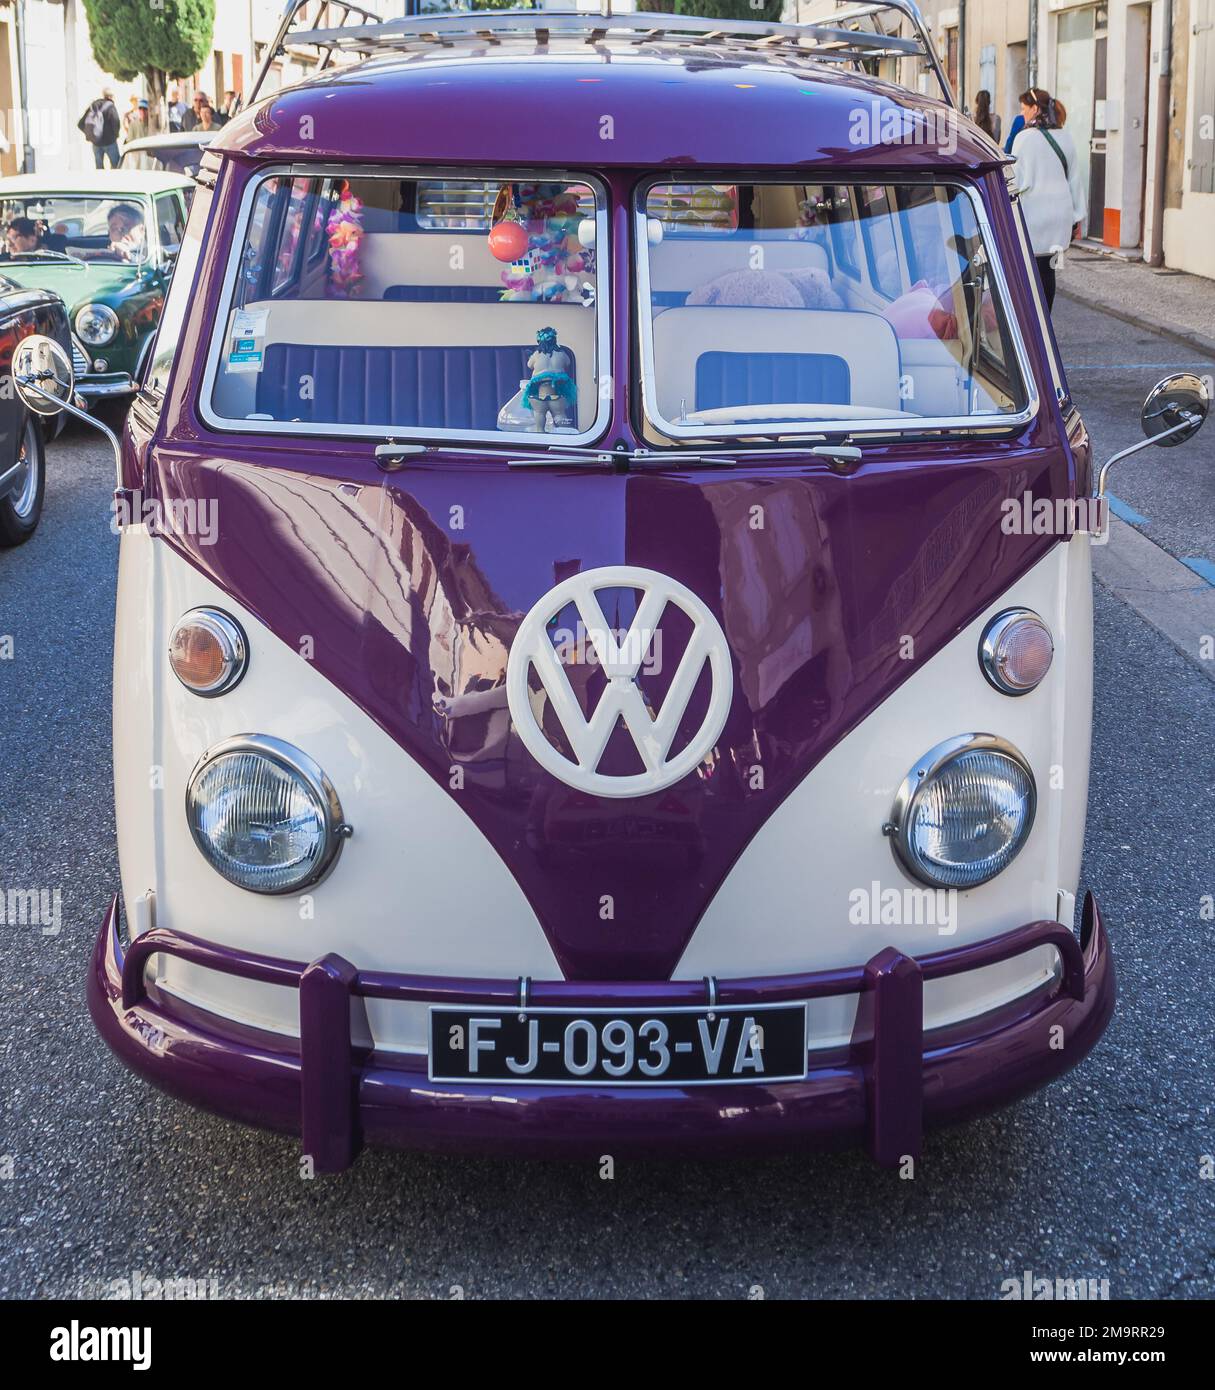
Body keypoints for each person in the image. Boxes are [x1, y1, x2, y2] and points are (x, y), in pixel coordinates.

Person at [1011, 86, 1087, 310]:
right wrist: (1077, 217)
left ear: (1035, 109)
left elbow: (1016, 181)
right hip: (1059, 216)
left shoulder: (1023, 138)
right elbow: (1074, 179)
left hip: (1034, 215)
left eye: (1024, 109)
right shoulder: (1066, 137)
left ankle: (1031, 326)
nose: (1022, 114)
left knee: (1027, 271)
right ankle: (1046, 320)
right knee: (1048, 270)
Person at [77, 87, 122, 169]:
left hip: (96, 143)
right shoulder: (111, 106)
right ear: (111, 97)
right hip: (110, 142)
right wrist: (115, 135)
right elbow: (116, 122)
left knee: (99, 170)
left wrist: (91, 134)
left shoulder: (93, 105)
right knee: (117, 167)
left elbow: (80, 124)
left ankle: (100, 182)